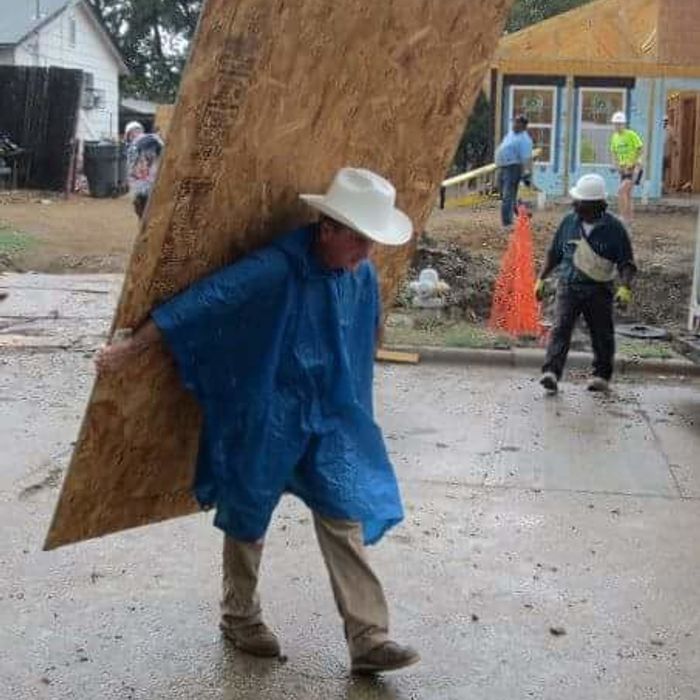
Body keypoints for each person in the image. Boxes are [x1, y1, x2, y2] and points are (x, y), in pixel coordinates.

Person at [96, 167, 420, 675]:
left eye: (372, 243)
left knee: (345, 511)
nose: (366, 254)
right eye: (359, 240)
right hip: (272, 409)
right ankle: (240, 617)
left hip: (330, 413)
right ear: (327, 228)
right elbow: (205, 302)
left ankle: (369, 636)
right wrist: (132, 348)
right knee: (249, 512)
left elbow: (367, 331)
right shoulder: (276, 268)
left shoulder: (361, 275)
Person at [535, 173, 637, 394]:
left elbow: (627, 263)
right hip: (569, 286)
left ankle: (601, 375)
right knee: (560, 328)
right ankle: (551, 372)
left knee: (601, 333)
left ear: (596, 205)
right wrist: (541, 278)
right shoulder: (569, 222)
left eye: (580, 202)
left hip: (599, 290)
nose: (575, 204)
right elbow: (554, 253)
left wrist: (624, 287)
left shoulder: (614, 229)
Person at [495, 114, 533, 229]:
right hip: (503, 167)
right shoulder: (511, 134)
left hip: (513, 167)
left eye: (517, 123)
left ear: (523, 126)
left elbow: (526, 158)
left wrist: (527, 174)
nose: (514, 124)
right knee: (505, 195)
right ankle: (522, 213)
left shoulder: (525, 139)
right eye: (514, 122)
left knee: (508, 195)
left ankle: (507, 223)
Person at [124, 121, 164, 219]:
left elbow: (131, 170)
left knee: (142, 209)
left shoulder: (133, 146)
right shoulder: (155, 139)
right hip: (153, 182)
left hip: (145, 184)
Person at [610, 111, 643, 224]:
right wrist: (616, 165)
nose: (617, 126)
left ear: (624, 124)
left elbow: (640, 148)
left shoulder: (631, 134)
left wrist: (633, 163)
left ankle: (623, 217)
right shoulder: (614, 137)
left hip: (634, 168)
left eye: (620, 124)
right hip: (623, 169)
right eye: (615, 124)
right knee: (627, 194)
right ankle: (630, 218)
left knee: (621, 191)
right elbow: (614, 152)